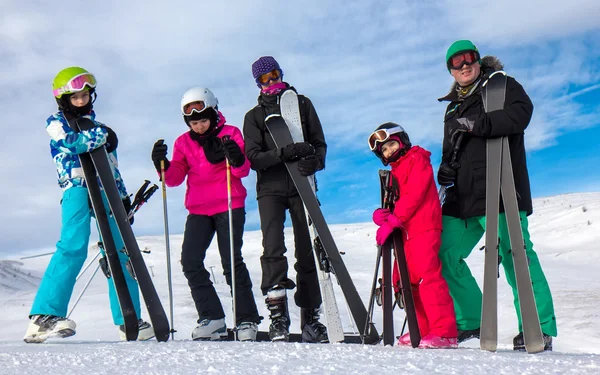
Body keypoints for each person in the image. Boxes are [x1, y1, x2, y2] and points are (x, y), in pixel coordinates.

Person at [436, 40, 557, 351]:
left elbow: (522, 114)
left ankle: (537, 326)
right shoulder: (452, 108)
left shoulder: (503, 86)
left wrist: (482, 123)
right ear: (450, 69)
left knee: (515, 255)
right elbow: (450, 150)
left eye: (469, 59)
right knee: (444, 254)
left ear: (478, 60)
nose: (464, 66)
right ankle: (472, 320)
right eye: (456, 62)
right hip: (462, 198)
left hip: (501, 190)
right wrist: (445, 170)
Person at [24, 66, 154, 343]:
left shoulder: (99, 127)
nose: (81, 101)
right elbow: (70, 144)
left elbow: (111, 166)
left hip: (106, 191)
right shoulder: (56, 122)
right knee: (73, 245)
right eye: (75, 97)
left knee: (120, 250)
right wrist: (101, 137)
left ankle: (129, 318)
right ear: (64, 100)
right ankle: (44, 316)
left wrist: (121, 197)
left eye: (85, 96)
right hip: (76, 187)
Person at [151, 87, 261, 341]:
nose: (199, 126)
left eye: (203, 120)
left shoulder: (230, 133)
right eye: (193, 122)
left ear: (213, 113)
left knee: (231, 262)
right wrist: (163, 166)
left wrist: (234, 157)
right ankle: (212, 318)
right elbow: (176, 177)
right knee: (190, 261)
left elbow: (243, 171)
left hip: (229, 204)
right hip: (199, 209)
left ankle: (246, 320)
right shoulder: (183, 142)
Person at [242, 56, 328, 343]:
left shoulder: (302, 104)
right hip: (271, 189)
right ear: (257, 83)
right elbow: (254, 158)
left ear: (281, 73)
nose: (270, 82)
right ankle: (278, 315)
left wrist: (315, 162)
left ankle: (310, 317)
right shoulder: (254, 116)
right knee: (272, 247)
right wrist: (287, 153)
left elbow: (319, 143)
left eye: (274, 75)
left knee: (307, 249)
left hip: (302, 185)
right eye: (263, 79)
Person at [369, 123, 458, 348]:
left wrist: (395, 219)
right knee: (407, 282)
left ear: (403, 140)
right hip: (406, 231)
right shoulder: (395, 171)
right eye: (384, 151)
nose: (389, 151)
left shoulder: (417, 158)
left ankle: (444, 332)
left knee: (428, 277)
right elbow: (400, 199)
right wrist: (384, 215)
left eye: (391, 144)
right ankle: (422, 330)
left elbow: (416, 193)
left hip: (423, 226)